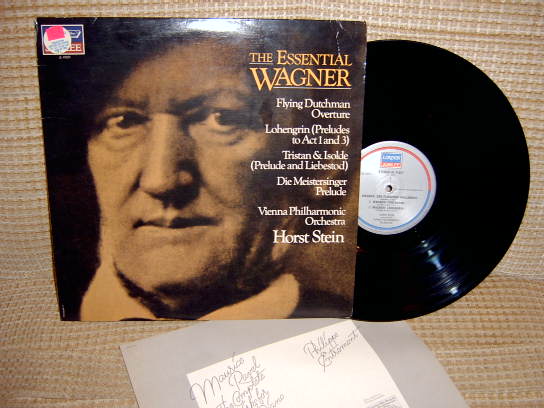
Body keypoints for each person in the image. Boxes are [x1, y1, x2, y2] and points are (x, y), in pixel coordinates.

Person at [54, 21, 361, 321]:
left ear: (322, 160)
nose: (161, 180)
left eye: (222, 118)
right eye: (124, 122)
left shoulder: (345, 320)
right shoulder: (47, 313)